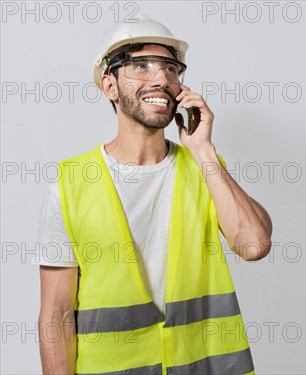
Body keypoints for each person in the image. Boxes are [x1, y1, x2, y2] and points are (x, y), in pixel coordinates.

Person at [34, 14, 272, 374]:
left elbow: (254, 245)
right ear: (109, 85)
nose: (162, 79)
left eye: (171, 68)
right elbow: (57, 314)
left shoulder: (204, 168)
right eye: (140, 66)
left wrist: (204, 150)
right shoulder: (71, 183)